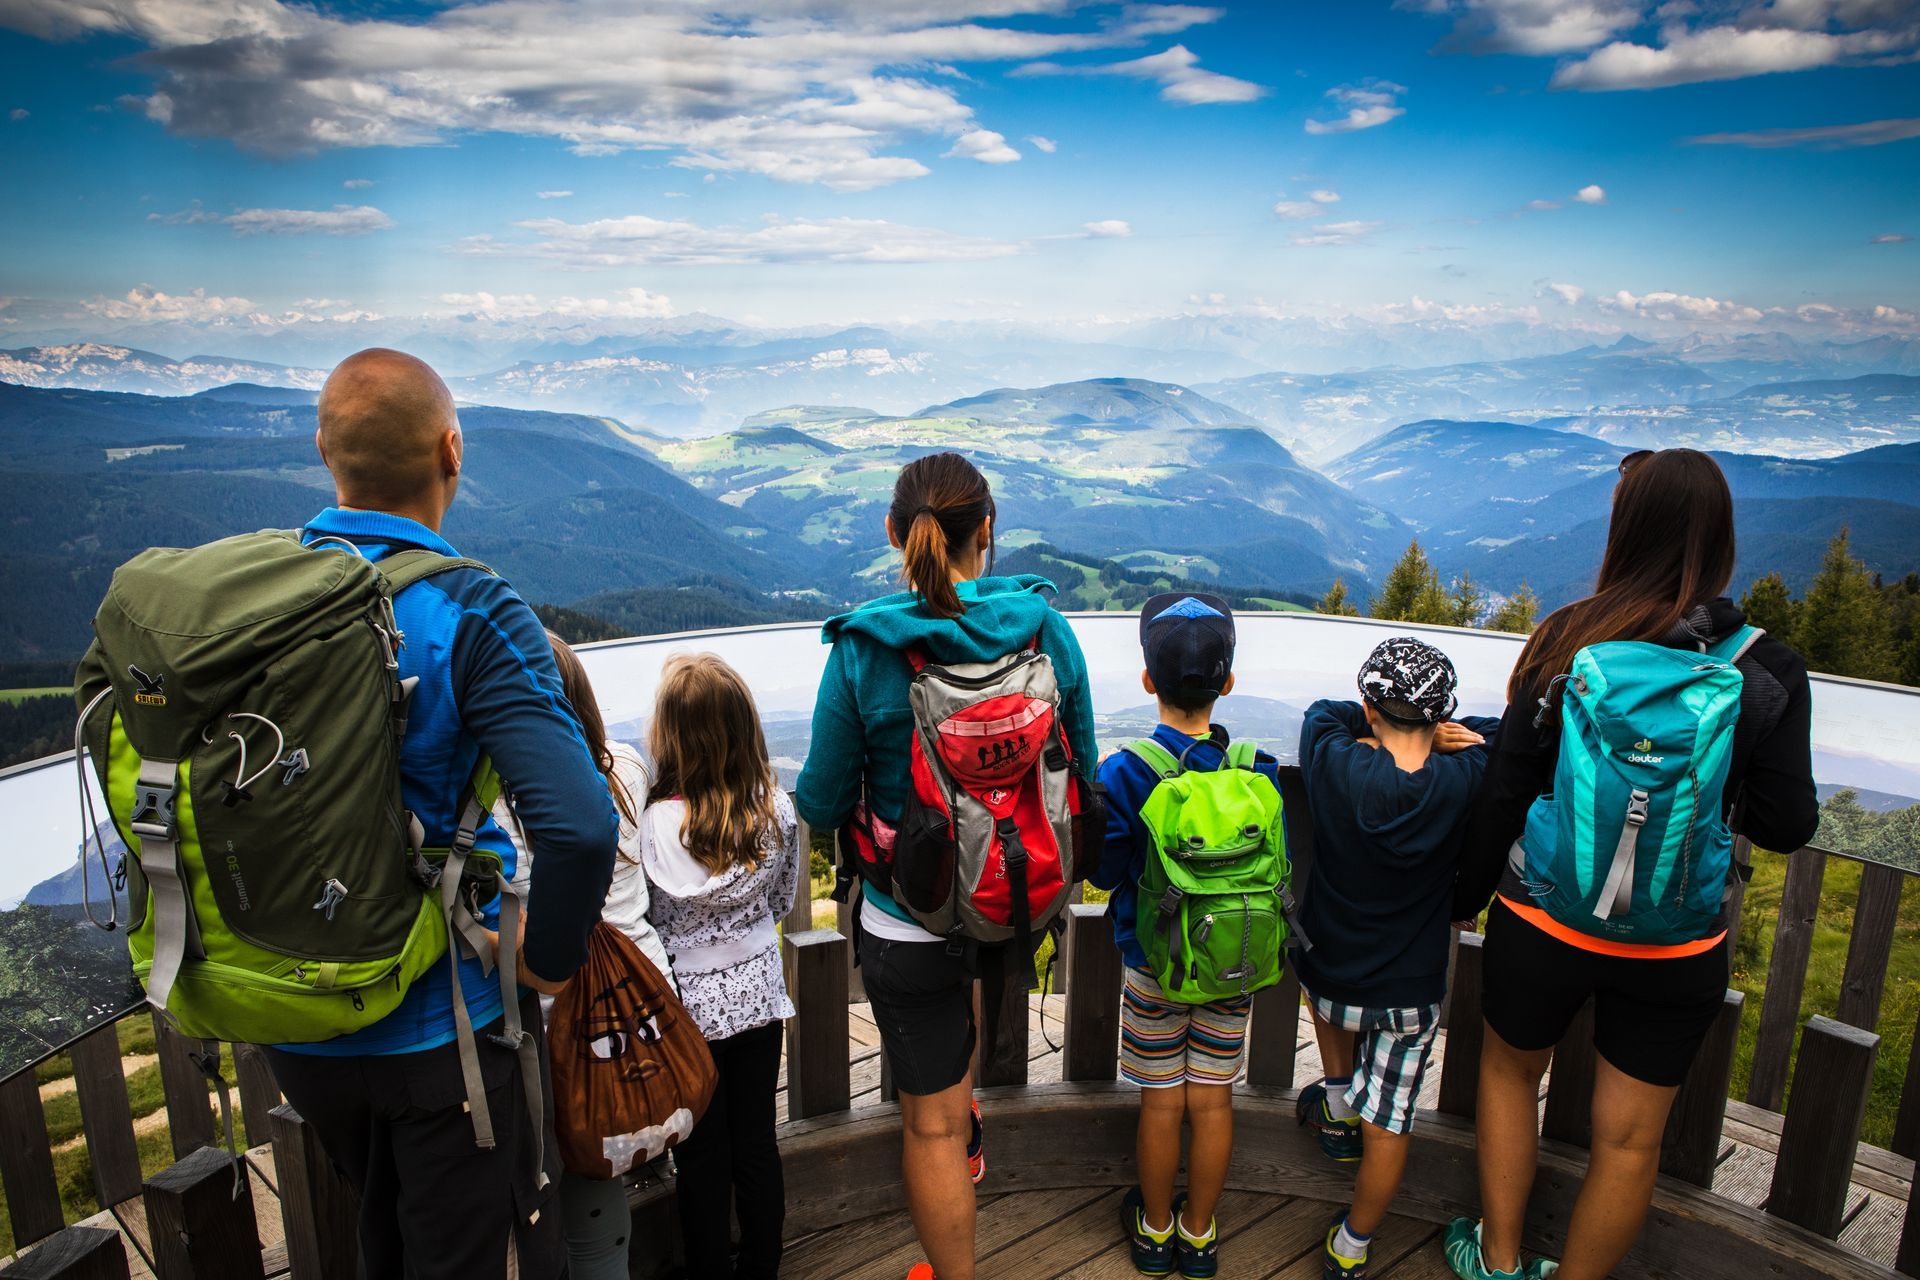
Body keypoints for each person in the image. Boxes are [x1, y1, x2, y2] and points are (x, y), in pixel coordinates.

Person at [265, 348, 619, 1279]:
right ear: (452, 451)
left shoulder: (261, 600)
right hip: (444, 1034)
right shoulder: (470, 607)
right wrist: (545, 965)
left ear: (324, 454)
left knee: (379, 1231)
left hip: (299, 1020)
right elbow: (580, 825)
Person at [1445, 448, 1818, 1280]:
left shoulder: (1568, 641)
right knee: (1628, 1137)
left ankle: (1499, 1260)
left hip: (1544, 918)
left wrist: (1464, 899)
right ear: (1720, 540)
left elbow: (1508, 786)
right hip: (1674, 942)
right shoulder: (1767, 669)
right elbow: (1790, 824)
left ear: (1624, 528)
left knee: (1509, 1077)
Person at [795, 452, 1096, 1280]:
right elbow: (1086, 773)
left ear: (895, 534)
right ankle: (964, 1128)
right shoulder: (1045, 630)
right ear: (988, 533)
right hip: (1014, 898)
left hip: (909, 914)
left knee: (926, 1123)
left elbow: (819, 803)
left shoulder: (863, 648)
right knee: (956, 1053)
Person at [1291, 637, 1499, 1280]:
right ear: (1443, 715)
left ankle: (1335, 1101)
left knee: (1311, 974)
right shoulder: (1467, 776)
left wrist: (1376, 722)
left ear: (1371, 707)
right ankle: (1353, 1245)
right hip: (1412, 992)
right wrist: (1441, 736)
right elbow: (1506, 733)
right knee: (1392, 1126)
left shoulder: (1334, 763)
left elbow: (1321, 714)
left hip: (1331, 972)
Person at [1092, 592, 1281, 1280]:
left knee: (1161, 1101)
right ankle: (1200, 1236)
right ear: (1227, 683)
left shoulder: (1126, 771)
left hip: (1153, 965)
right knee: (1212, 1098)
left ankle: (1154, 1229)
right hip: (1234, 964)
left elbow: (1109, 869)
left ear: (1148, 680)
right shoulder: (1256, 768)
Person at [492, 633, 675, 1280]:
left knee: (570, 1205)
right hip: (642, 1000)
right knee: (598, 1214)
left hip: (559, 1036)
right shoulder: (625, 766)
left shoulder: (496, 809)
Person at [639, 652, 801, 1280]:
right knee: (757, 1142)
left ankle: (707, 1265)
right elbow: (784, 898)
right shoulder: (774, 811)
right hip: (759, 997)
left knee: (701, 1153)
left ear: (670, 736)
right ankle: (762, 1263)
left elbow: (645, 916)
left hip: (687, 1015)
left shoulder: (652, 826)